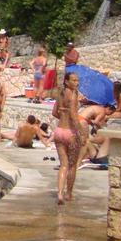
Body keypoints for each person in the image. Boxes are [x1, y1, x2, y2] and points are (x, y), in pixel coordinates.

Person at [52, 72, 85, 204]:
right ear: (66, 81)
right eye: (74, 80)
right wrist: (81, 133)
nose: (77, 83)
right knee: (72, 166)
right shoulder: (73, 94)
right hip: (70, 132)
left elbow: (54, 112)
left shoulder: (60, 94)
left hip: (59, 131)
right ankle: (69, 193)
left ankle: (59, 193)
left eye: (77, 80)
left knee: (63, 165)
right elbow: (73, 114)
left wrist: (63, 119)